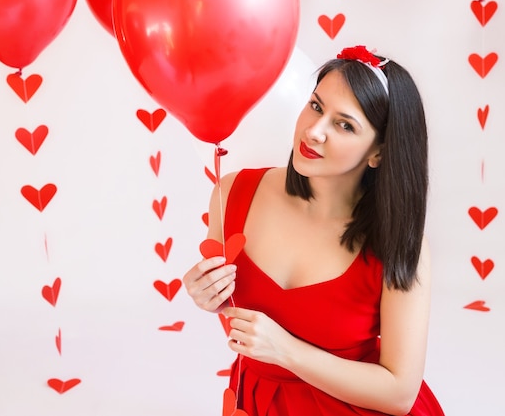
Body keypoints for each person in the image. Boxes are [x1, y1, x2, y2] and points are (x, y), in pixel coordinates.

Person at [183, 45, 444, 416]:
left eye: (344, 124)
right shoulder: (233, 194)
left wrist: (285, 351)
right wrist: (207, 295)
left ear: (379, 153)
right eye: (316, 106)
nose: (314, 131)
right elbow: (241, 314)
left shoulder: (398, 244)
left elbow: (400, 394)